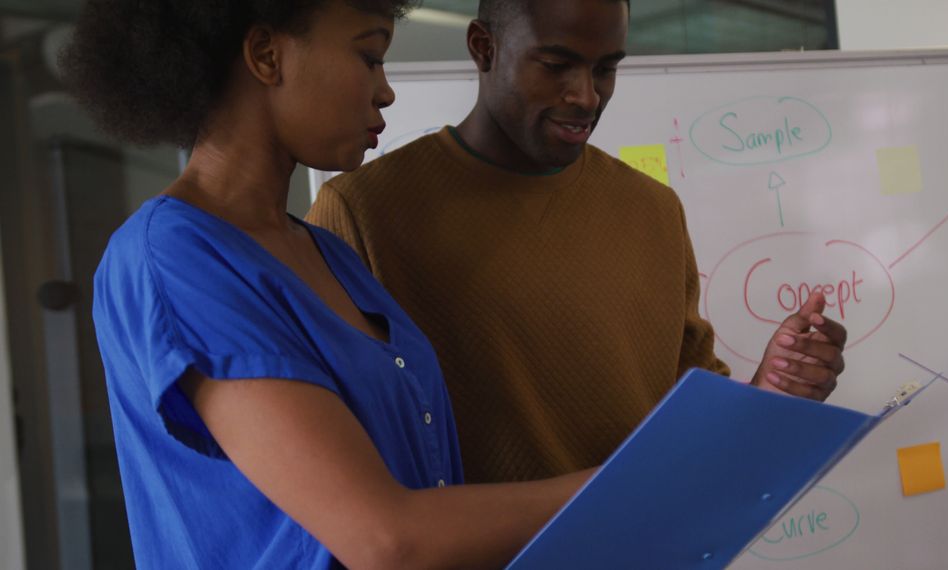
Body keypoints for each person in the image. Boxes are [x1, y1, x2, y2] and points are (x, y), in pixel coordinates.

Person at [64, 1, 593, 567]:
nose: (385, 92)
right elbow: (383, 538)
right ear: (267, 56)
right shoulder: (173, 257)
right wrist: (623, 481)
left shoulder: (329, 255)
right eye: (369, 57)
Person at [307, 0, 848, 484]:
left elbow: (691, 407)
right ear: (483, 47)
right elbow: (340, 459)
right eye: (556, 65)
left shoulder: (653, 210)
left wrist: (768, 389)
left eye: (606, 68)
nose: (586, 96)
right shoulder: (364, 213)